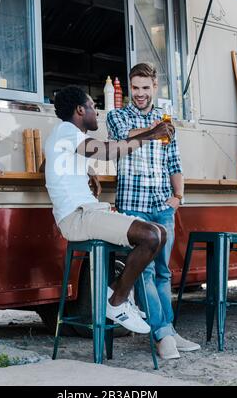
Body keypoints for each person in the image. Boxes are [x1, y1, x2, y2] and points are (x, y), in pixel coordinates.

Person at [45, 85, 175, 335]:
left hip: (87, 212)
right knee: (150, 236)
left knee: (161, 232)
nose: (97, 112)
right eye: (93, 107)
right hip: (79, 216)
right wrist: (150, 134)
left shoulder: (62, 136)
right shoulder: (67, 130)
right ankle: (116, 301)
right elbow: (107, 151)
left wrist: (86, 170)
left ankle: (115, 293)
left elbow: (46, 163)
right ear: (80, 110)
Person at [107, 63, 201, 359]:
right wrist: (155, 130)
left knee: (163, 272)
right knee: (145, 272)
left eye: (145, 88)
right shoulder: (117, 115)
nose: (139, 94)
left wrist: (178, 197)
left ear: (154, 88)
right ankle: (163, 335)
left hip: (162, 205)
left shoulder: (166, 122)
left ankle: (169, 331)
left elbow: (174, 164)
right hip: (134, 207)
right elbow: (124, 139)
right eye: (135, 88)